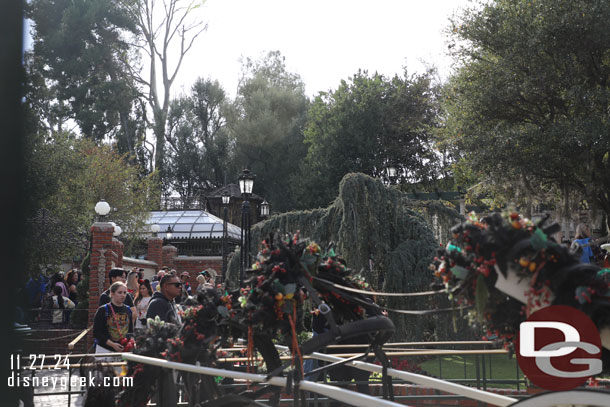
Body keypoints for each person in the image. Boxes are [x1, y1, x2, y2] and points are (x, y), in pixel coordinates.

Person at [93, 282, 134, 353]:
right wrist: (112, 345)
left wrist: (131, 342)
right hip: (105, 350)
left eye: (125, 293)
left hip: (123, 349)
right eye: (120, 292)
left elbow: (130, 331)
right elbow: (96, 333)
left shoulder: (128, 309)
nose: (123, 295)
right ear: (112, 293)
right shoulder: (103, 310)